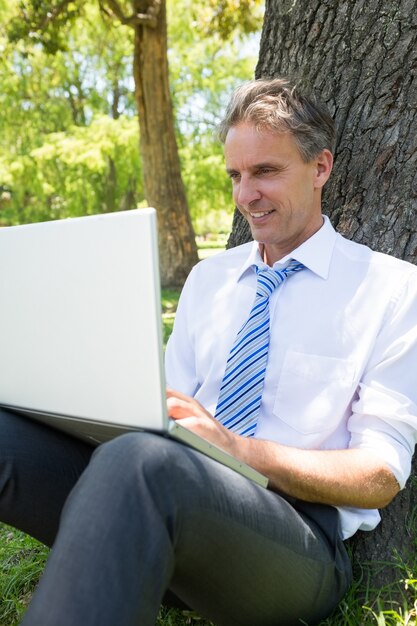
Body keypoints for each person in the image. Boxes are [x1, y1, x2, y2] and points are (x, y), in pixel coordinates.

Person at [3, 77, 417, 626]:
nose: (246, 195)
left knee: (142, 462)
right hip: (167, 507)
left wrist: (237, 449)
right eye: (236, 176)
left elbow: (381, 474)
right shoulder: (210, 279)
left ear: (321, 168)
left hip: (296, 546)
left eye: (266, 171)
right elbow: (162, 412)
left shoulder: (391, 289)